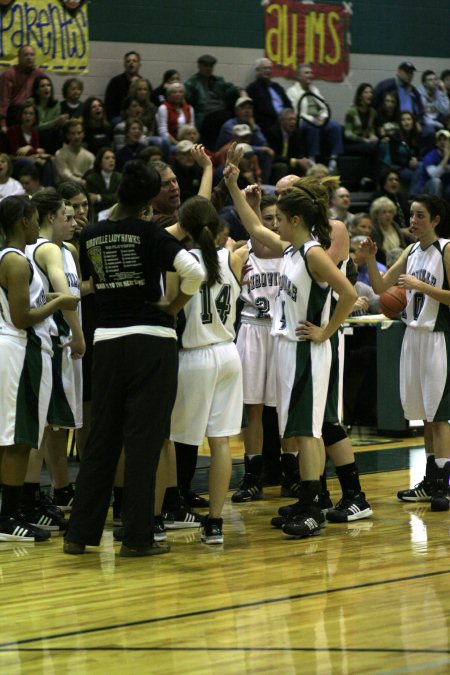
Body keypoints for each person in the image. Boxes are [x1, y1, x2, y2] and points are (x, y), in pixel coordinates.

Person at [63, 160, 205, 557]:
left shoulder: (89, 234)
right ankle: (138, 538)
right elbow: (193, 272)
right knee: (143, 441)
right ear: (147, 199)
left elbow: (96, 280)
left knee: (101, 440)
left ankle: (79, 535)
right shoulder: (150, 233)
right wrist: (173, 306)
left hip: (106, 340)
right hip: (151, 340)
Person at [225, 168, 357, 538]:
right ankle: (306, 498)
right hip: (286, 347)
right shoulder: (292, 249)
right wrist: (232, 186)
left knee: (310, 431)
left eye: (280, 218)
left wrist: (326, 332)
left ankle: (313, 504)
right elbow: (253, 227)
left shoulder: (314, 254)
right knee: (297, 430)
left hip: (306, 350)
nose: (275, 224)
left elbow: (347, 294)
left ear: (296, 219)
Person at [361, 194, 450, 512]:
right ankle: (430, 483)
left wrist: (422, 287)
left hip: (437, 338)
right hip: (412, 338)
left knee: (439, 417)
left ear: (436, 220)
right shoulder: (412, 250)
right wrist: (371, 259)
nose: (413, 221)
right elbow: (381, 288)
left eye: (420, 216)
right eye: (411, 215)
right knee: (424, 416)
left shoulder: (446, 249)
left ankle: (444, 486)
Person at [166, 195, 246, 544]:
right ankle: (215, 523)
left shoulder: (178, 262)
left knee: (171, 441)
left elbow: (169, 307)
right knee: (222, 443)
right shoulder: (233, 258)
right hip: (229, 353)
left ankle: (165, 511)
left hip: (193, 356)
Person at [0, 195, 79, 541]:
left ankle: (16, 511)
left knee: (20, 437)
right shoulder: (16, 262)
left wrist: (50, 300)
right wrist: (60, 301)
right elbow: (22, 317)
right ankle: (8, 519)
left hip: (21, 348)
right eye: (34, 219)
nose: (37, 225)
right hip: (19, 349)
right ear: (22, 222)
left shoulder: (12, 259)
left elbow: (26, 303)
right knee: (18, 440)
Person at [21, 189, 85, 531]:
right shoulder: (44, 249)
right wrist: (78, 333)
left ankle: (52, 491)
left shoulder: (67, 250)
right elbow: (64, 294)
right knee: (41, 428)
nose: (74, 221)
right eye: (68, 215)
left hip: (59, 347)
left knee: (52, 428)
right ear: (49, 218)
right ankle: (30, 498)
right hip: (55, 344)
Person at [231, 194, 283, 502]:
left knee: (286, 410)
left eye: (278, 218)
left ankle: (292, 473)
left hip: (281, 333)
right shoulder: (241, 252)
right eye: (268, 218)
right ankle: (252, 476)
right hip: (251, 328)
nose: (274, 223)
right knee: (253, 409)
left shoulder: (290, 251)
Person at [286, 64, 343, 172]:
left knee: (336, 126)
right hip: (304, 121)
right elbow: (296, 112)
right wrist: (313, 120)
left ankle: (333, 160)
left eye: (311, 73)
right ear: (298, 76)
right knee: (313, 127)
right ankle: (312, 160)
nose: (310, 75)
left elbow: (324, 107)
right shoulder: (292, 91)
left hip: (318, 119)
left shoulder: (314, 89)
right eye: (306, 73)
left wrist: (323, 118)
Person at [184, 54, 243, 148]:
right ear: (199, 66)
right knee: (224, 117)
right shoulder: (192, 83)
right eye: (206, 66)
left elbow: (231, 88)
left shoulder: (218, 81)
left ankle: (234, 146)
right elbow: (186, 101)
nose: (209, 69)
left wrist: (241, 91)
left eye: (211, 66)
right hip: (205, 116)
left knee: (235, 114)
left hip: (221, 112)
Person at [0, 45, 45, 129]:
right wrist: (2, 123)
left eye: (32, 55)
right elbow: (3, 101)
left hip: (33, 114)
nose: (29, 57)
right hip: (14, 114)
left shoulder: (39, 74)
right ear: (19, 58)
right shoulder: (9, 74)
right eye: (26, 55)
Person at [246, 58, 291, 136]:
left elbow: (288, 104)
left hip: (284, 122)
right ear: (258, 70)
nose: (268, 70)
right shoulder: (253, 88)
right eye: (265, 68)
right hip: (267, 124)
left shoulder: (277, 87)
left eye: (269, 68)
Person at [265, 108, 310, 183]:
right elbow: (274, 156)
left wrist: (303, 160)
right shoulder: (272, 132)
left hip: (289, 162)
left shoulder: (297, 133)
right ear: (281, 121)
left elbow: (300, 151)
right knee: (282, 167)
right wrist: (295, 161)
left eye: (295, 119)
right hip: (275, 163)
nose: (293, 122)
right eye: (290, 119)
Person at [31, 75, 68, 154]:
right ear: (36, 90)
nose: (47, 88)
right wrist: (55, 122)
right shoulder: (31, 103)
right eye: (42, 86)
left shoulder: (56, 104)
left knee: (59, 133)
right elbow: (36, 126)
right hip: (35, 134)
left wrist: (62, 122)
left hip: (51, 137)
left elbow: (55, 127)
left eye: (49, 85)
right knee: (45, 134)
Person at [104, 51, 142, 124]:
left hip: (139, 118)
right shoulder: (115, 82)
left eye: (134, 61)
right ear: (124, 65)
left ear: (139, 65)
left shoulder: (143, 83)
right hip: (119, 118)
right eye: (128, 61)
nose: (131, 63)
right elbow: (108, 105)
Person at [53, 121, 95, 186]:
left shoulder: (90, 156)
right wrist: (82, 182)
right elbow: (65, 176)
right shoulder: (60, 154)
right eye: (73, 133)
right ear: (67, 136)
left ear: (83, 134)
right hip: (65, 191)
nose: (77, 137)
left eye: (79, 133)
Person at [370, 195, 406, 265]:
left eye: (390, 212)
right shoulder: (374, 229)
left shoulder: (395, 226)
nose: (388, 215)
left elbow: (403, 246)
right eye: (384, 212)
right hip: (382, 263)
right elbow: (378, 252)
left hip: (399, 262)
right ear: (377, 214)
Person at [343, 83, 378, 157]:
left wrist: (372, 136)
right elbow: (348, 134)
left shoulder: (373, 112)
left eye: (371, 92)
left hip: (365, 142)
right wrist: (363, 140)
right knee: (370, 148)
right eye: (366, 92)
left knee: (379, 146)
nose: (370, 94)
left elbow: (371, 129)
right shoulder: (351, 111)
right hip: (352, 143)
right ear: (359, 96)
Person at [85, 147, 121, 214]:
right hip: (97, 214)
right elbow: (91, 201)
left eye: (113, 158)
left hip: (117, 213)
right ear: (100, 161)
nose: (111, 160)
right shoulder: (91, 179)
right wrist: (111, 198)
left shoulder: (120, 177)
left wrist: (99, 197)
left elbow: (119, 197)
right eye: (107, 158)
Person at [419, 129, 450, 199]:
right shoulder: (430, 156)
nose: (442, 142)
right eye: (439, 140)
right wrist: (446, 157)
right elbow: (434, 175)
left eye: (445, 139)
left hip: (445, 188)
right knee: (436, 181)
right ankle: (435, 208)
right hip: (427, 190)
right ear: (436, 143)